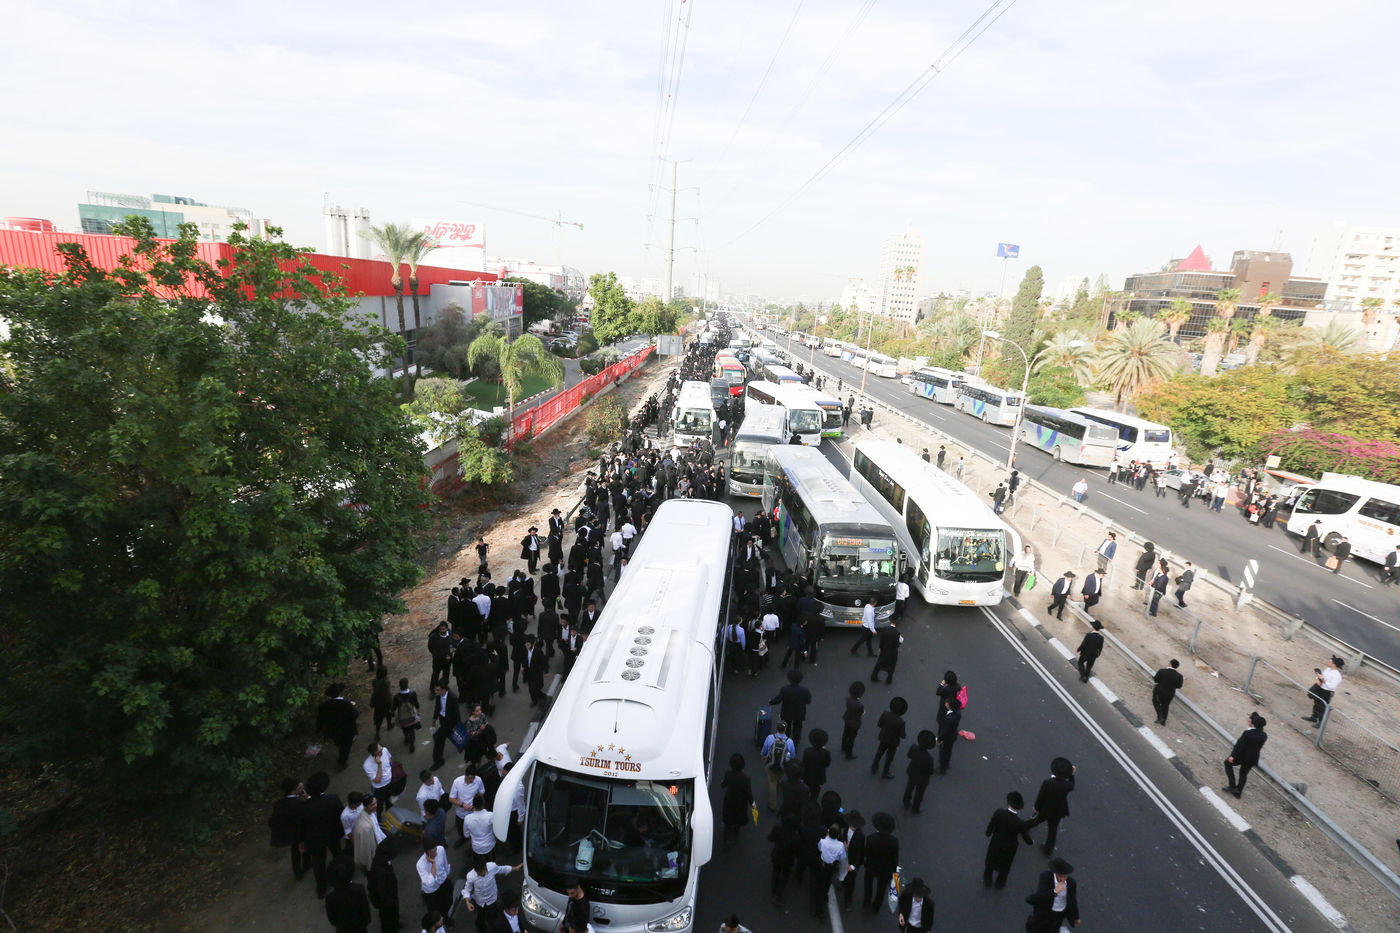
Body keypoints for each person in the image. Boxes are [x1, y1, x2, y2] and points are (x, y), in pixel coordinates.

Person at [302, 771, 345, 899]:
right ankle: (342, 876)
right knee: (337, 855)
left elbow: (302, 827)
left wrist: (303, 842)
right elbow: (342, 816)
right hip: (333, 835)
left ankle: (321, 889)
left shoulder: (303, 807)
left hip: (315, 840)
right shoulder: (333, 799)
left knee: (318, 864)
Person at [1025, 757, 1075, 854]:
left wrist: (1036, 807)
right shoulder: (1067, 785)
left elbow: (1041, 796)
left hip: (1046, 809)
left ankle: (1024, 827)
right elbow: (1072, 785)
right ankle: (1048, 849)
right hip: (1059, 810)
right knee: (1053, 830)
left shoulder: (1048, 783)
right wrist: (1072, 775)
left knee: (1036, 820)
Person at [462, 854, 521, 931]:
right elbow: (467, 889)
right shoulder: (470, 876)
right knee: (480, 918)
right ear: (475, 871)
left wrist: (515, 868)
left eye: (484, 870)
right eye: (480, 872)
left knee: (493, 918)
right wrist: (467, 902)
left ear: (486, 866)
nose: (483, 873)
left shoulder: (492, 867)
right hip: (480, 902)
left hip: (492, 900)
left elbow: (501, 869)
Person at [983, 791, 1028, 889]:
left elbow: (991, 826)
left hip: (996, 843)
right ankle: (1000, 883)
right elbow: (1026, 838)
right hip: (1009, 848)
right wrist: (1031, 842)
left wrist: (988, 833)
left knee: (990, 863)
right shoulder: (1019, 823)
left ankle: (987, 880)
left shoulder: (999, 813)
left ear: (1008, 803)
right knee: (1004, 868)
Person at [268, 777, 308, 881]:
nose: (302, 789)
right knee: (305, 847)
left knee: (295, 852)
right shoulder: (299, 803)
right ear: (294, 790)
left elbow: (272, 821)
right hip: (301, 832)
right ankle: (307, 864)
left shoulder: (279, 804)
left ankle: (297, 872)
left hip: (291, 834)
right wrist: (308, 797)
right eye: (300, 787)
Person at [1025, 858, 1080, 932]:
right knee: (1037, 928)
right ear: (1055, 873)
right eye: (1060, 876)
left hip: (1059, 913)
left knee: (1053, 930)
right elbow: (1041, 895)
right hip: (1045, 910)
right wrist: (1055, 891)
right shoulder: (1045, 876)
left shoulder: (1071, 883)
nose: (1063, 879)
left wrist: (1076, 917)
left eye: (1065, 876)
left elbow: (1073, 900)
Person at [1223, 712, 1268, 799]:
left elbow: (1239, 746)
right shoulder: (1264, 736)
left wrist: (1232, 756)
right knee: (1243, 774)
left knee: (1227, 763)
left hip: (1242, 757)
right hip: (1252, 759)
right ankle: (1238, 792)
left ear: (1254, 724)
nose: (1249, 721)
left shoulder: (1248, 733)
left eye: (1250, 721)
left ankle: (1232, 786)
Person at [863, 811, 899, 913]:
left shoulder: (870, 838)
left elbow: (867, 853)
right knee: (881, 889)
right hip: (885, 869)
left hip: (871, 866)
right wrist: (893, 872)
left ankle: (867, 901)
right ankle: (876, 906)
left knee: (868, 883)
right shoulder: (894, 841)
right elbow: (894, 858)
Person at [318, 684, 360, 771]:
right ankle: (342, 762)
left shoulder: (324, 706)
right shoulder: (346, 703)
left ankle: (342, 755)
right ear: (340, 693)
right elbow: (355, 714)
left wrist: (321, 730)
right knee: (347, 745)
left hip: (333, 731)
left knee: (340, 744)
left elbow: (320, 720)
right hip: (347, 730)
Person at [325, 860, 374, 933]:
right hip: (359, 926)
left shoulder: (330, 898)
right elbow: (365, 909)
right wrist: (366, 921)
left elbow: (332, 919)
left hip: (343, 928)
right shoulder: (359, 889)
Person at [769, 669, 813, 746]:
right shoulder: (805, 690)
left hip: (787, 712)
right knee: (797, 728)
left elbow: (778, 700)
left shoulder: (785, 689)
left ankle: (786, 741)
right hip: (799, 712)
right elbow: (808, 701)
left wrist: (771, 702)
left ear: (789, 678)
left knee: (786, 726)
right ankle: (795, 743)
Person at [811, 824, 847, 919]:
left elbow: (819, 848)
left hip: (823, 866)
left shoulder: (822, 842)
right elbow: (842, 857)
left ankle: (818, 909)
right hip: (832, 867)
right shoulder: (840, 845)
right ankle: (824, 897)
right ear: (838, 835)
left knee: (820, 885)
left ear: (828, 832)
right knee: (827, 882)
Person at [720, 753, 754, 850]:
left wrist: (722, 782)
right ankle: (736, 832)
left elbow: (723, 785)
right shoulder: (746, 778)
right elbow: (749, 794)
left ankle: (726, 840)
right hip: (741, 803)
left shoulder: (728, 774)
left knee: (728, 822)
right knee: (738, 820)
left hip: (729, 801)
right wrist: (753, 805)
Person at [760, 722, 796, 811]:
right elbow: (793, 756)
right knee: (779, 777)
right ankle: (778, 783)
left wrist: (764, 758)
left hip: (771, 764)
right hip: (782, 766)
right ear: (785, 729)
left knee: (772, 782)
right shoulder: (790, 741)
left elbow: (764, 751)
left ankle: (772, 805)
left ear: (777, 728)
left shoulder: (770, 738)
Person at [768, 811, 802, 904]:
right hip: (788, 860)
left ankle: (773, 891)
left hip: (777, 855)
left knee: (775, 872)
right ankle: (778, 896)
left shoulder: (777, 827)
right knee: (784, 877)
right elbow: (798, 851)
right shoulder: (795, 836)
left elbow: (770, 838)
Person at [870, 696, 908, 779]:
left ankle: (874, 766)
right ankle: (885, 772)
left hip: (883, 737)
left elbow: (879, 724)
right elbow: (903, 736)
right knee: (889, 757)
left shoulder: (885, 714)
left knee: (879, 752)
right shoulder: (901, 722)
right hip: (893, 742)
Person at [366, 841, 400, 933]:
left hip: (385, 901)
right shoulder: (382, 872)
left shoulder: (377, 861)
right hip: (387, 903)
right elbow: (383, 893)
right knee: (388, 923)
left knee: (388, 920)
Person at [838, 809, 866, 910]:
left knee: (851, 882)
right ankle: (843, 882)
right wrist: (844, 842)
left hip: (853, 861)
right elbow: (844, 837)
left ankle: (848, 902)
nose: (852, 827)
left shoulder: (860, 836)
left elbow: (860, 853)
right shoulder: (847, 827)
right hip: (845, 856)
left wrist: (854, 866)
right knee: (843, 871)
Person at [1304, 656, 1344, 724]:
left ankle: (1321, 723)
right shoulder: (1328, 669)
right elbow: (1322, 675)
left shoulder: (1337, 675)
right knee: (1316, 703)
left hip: (1327, 692)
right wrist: (1318, 678)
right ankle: (1314, 717)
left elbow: (1332, 686)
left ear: (1334, 664)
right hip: (1320, 688)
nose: (1328, 662)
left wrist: (1323, 680)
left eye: (1330, 662)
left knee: (1322, 707)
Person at [903, 729, 935, 813]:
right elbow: (930, 771)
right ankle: (915, 808)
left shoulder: (914, 747)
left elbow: (909, 755)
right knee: (919, 793)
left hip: (912, 771)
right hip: (922, 778)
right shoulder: (929, 758)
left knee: (909, 787)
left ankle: (906, 801)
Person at [429, 683, 460, 771]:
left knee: (438, 738)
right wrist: (434, 719)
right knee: (446, 736)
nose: (436, 692)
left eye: (438, 690)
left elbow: (457, 713)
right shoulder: (439, 696)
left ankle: (439, 761)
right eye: (435, 690)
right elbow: (437, 707)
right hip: (443, 720)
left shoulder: (452, 698)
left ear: (444, 690)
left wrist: (457, 725)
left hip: (449, 723)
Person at [416, 843, 452, 918]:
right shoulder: (420, 864)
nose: (435, 853)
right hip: (432, 890)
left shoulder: (441, 849)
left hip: (443, 882)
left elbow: (445, 864)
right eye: (432, 852)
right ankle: (443, 919)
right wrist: (433, 864)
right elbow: (430, 882)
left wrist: (446, 874)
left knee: (449, 901)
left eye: (435, 850)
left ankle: (445, 916)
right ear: (426, 852)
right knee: (435, 911)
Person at [364, 742, 395, 813]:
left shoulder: (384, 750)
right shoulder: (367, 765)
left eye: (381, 749)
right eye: (380, 751)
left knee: (388, 798)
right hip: (380, 788)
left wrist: (390, 768)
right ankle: (379, 816)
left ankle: (389, 809)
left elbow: (390, 759)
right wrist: (379, 764)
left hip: (390, 782)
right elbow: (377, 780)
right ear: (374, 753)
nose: (382, 751)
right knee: (379, 804)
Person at [871, 617, 903, 684]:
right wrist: (900, 642)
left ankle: (874, 676)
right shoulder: (897, 633)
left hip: (884, 650)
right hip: (892, 653)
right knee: (891, 667)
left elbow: (881, 639)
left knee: (879, 664)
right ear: (897, 623)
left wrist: (880, 648)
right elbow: (896, 645)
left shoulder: (885, 629)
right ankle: (888, 680)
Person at [801, 728, 831, 799]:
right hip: (819, 776)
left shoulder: (807, 751)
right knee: (816, 791)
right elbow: (827, 764)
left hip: (807, 775)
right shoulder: (826, 753)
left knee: (806, 789)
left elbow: (804, 763)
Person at [1152, 659, 1185, 725]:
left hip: (1159, 691)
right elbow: (1179, 686)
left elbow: (1156, 680)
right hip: (1170, 694)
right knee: (1165, 705)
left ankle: (1160, 716)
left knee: (1155, 702)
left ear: (1170, 664)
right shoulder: (1179, 676)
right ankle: (1163, 722)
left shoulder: (1162, 671)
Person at [935, 697, 962, 774]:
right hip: (952, 735)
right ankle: (946, 763)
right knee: (948, 751)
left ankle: (942, 768)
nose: (945, 704)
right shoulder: (958, 713)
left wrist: (939, 740)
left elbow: (944, 732)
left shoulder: (948, 718)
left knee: (944, 752)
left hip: (947, 738)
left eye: (947, 703)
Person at [840, 681, 866, 760]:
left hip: (847, 718)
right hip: (855, 723)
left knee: (845, 733)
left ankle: (843, 747)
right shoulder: (860, 705)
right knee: (851, 738)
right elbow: (861, 713)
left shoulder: (848, 698)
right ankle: (848, 754)